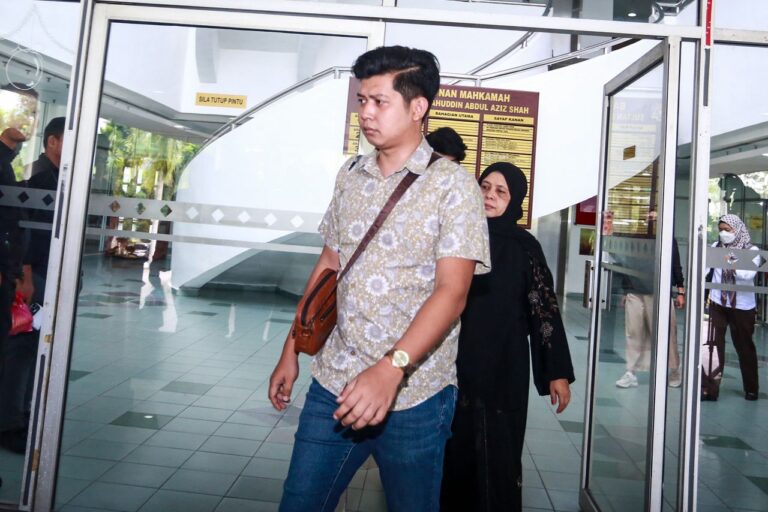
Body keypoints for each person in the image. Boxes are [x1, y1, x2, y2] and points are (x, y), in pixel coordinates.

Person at [268, 45, 490, 512]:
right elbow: (328, 267)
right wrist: (292, 348)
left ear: (418, 107)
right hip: (335, 381)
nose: (365, 112)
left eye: (379, 101)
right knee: (299, 502)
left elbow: (453, 293)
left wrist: (392, 369)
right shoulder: (351, 174)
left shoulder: (453, 186)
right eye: (362, 100)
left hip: (416, 394)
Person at [440, 162, 574, 512]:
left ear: (515, 200)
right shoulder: (457, 236)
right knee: (454, 450)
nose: (489, 196)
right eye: (484, 187)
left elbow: (543, 310)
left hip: (504, 365)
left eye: (501, 191)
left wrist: (556, 372)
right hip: (453, 362)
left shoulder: (525, 248)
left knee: (499, 451)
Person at [0, 117, 65, 453]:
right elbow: (22, 230)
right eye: (69, 139)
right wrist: (24, 276)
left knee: (34, 349)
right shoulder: (40, 179)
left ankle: (23, 416)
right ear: (52, 142)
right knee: (21, 351)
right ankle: (10, 424)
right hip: (34, 277)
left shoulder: (60, 178)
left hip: (48, 275)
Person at [615, 226, 686, 389]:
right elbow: (627, 264)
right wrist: (626, 291)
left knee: (665, 333)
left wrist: (680, 291)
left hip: (659, 291)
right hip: (635, 290)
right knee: (633, 332)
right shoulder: (635, 237)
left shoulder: (667, 238)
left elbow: (675, 265)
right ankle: (631, 372)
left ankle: (674, 368)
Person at [703, 213, 760, 401]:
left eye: (727, 230)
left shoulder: (752, 250)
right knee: (713, 345)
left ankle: (751, 388)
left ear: (737, 230)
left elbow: (747, 275)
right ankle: (710, 389)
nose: (723, 234)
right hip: (718, 302)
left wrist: (730, 258)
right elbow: (706, 269)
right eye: (720, 230)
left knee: (744, 347)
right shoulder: (716, 247)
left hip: (742, 306)